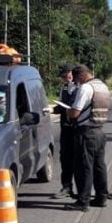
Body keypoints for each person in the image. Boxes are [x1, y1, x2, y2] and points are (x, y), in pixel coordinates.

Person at [63, 64, 110, 212]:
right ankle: (101, 197)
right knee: (99, 166)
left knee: (84, 167)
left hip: (86, 132)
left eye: (77, 80)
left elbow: (75, 113)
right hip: (100, 131)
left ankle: (83, 201)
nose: (78, 83)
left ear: (82, 76)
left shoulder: (86, 88)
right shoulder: (102, 86)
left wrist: (67, 111)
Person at [51, 64, 77, 199]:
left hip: (78, 128)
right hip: (65, 127)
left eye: (67, 76)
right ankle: (66, 187)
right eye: (64, 77)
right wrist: (51, 110)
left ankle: (83, 191)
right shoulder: (64, 88)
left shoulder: (82, 88)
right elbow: (61, 105)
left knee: (79, 160)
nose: (66, 79)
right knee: (65, 158)